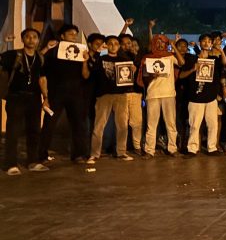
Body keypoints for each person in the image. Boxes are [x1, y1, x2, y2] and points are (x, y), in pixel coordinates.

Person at [38, 24, 90, 163]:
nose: (73, 36)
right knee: (49, 123)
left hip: (76, 94)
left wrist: (85, 61)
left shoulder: (81, 52)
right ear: (62, 36)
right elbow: (38, 64)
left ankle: (79, 154)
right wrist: (46, 96)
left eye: (75, 34)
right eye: (70, 33)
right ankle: (41, 155)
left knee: (79, 124)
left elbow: (85, 76)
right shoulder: (53, 50)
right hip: (56, 94)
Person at [2, 28, 49, 175]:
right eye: (27, 37)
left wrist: (46, 97)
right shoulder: (14, 55)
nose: (31, 39)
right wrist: (4, 44)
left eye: (34, 37)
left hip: (34, 98)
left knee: (34, 130)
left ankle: (33, 161)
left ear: (37, 40)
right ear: (22, 39)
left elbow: (42, 79)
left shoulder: (40, 58)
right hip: (16, 97)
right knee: (13, 131)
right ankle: (10, 164)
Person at [84, 35, 134, 164]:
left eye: (116, 43)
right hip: (104, 95)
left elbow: (128, 77)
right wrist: (100, 51)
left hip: (121, 95)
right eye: (110, 43)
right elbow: (92, 72)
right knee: (99, 125)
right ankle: (94, 154)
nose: (113, 46)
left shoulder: (124, 59)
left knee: (122, 125)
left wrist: (132, 70)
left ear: (119, 46)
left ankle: (121, 152)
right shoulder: (100, 59)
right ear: (106, 45)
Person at [139, 34, 185, 157]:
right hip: (153, 94)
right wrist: (151, 76)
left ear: (166, 44)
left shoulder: (170, 57)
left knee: (171, 123)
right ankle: (149, 150)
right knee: (151, 124)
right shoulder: (147, 58)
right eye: (157, 42)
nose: (160, 44)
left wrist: (174, 46)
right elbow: (143, 76)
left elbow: (182, 62)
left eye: (163, 42)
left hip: (168, 93)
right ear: (153, 43)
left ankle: (172, 149)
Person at [181, 34, 226, 156]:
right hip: (195, 98)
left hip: (211, 98)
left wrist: (221, 50)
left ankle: (212, 148)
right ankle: (192, 149)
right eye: (204, 41)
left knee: (212, 124)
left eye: (209, 41)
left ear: (212, 44)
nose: (206, 43)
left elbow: (225, 62)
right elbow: (181, 76)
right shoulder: (191, 59)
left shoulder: (214, 60)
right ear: (200, 43)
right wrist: (193, 69)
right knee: (194, 125)